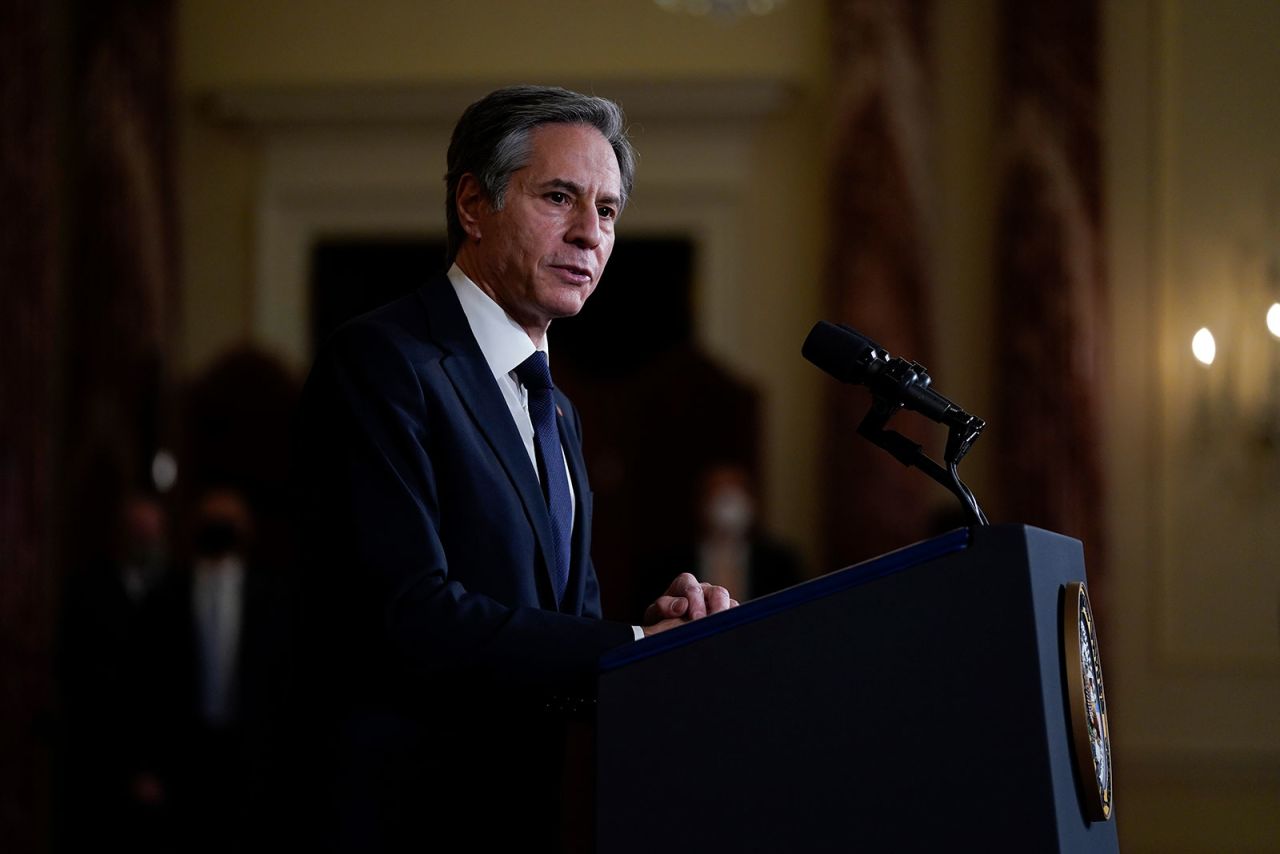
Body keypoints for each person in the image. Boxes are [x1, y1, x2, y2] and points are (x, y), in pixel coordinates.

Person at [291, 85, 737, 852]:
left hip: (527, 809)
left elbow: (559, 626)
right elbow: (412, 613)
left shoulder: (557, 411)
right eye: (559, 197)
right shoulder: (385, 362)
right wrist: (628, 641)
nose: (589, 234)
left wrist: (658, 637)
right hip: (402, 814)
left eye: (607, 211)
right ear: (473, 203)